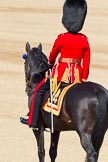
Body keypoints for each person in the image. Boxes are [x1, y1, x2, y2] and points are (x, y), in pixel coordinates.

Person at [20, 0, 90, 128]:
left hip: (61, 74)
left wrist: (50, 65)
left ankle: (32, 120)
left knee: (39, 91)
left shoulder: (62, 38)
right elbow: (87, 60)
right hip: (77, 76)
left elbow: (52, 56)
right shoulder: (84, 40)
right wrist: (83, 76)